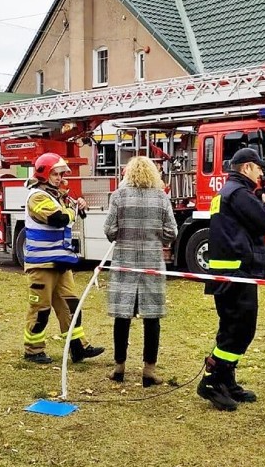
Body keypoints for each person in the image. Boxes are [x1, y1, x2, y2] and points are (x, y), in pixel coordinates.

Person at [197, 147, 265, 412]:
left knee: (232, 328)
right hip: (237, 273)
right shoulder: (239, 193)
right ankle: (212, 381)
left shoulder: (227, 193)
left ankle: (226, 381)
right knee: (240, 330)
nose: (261, 173)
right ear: (246, 168)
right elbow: (264, 222)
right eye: (258, 168)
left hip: (228, 272)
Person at [21, 152, 104, 364]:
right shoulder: (37, 197)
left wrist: (79, 207)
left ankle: (78, 347)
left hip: (60, 261)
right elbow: (57, 219)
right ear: (44, 174)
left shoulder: (56, 195)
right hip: (42, 264)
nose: (60, 178)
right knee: (41, 310)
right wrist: (74, 209)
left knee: (71, 306)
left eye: (61, 174)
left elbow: (70, 216)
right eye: (55, 174)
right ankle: (33, 350)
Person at [103, 156, 177, 386]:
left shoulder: (119, 196)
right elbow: (171, 232)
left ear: (128, 174)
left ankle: (119, 367)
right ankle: (149, 370)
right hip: (152, 264)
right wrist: (156, 236)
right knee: (152, 318)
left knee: (122, 316)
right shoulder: (161, 197)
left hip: (124, 261)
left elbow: (110, 230)